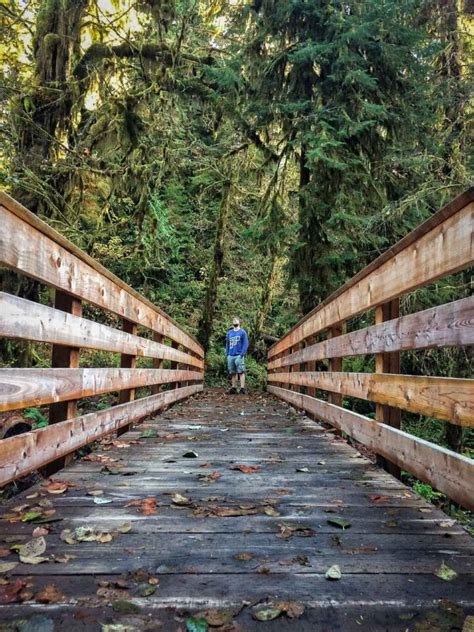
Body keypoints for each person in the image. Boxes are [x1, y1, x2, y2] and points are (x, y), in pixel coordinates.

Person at [226, 317, 249, 394]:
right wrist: (227, 354)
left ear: (239, 322)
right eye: (233, 320)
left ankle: (242, 388)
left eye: (236, 320)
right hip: (230, 355)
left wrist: (241, 354)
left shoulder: (242, 332)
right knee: (233, 372)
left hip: (239, 355)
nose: (234, 321)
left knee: (241, 371)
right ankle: (234, 388)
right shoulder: (229, 333)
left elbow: (245, 344)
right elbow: (227, 344)